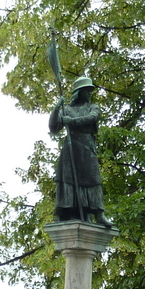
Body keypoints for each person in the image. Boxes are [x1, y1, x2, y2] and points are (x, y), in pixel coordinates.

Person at [49, 75, 110, 225]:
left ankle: (99, 214)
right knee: (67, 179)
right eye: (87, 91)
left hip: (87, 146)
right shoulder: (67, 109)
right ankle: (64, 211)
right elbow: (53, 127)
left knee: (93, 178)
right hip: (71, 149)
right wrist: (57, 108)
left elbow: (92, 118)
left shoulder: (92, 107)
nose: (89, 94)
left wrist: (72, 121)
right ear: (79, 92)